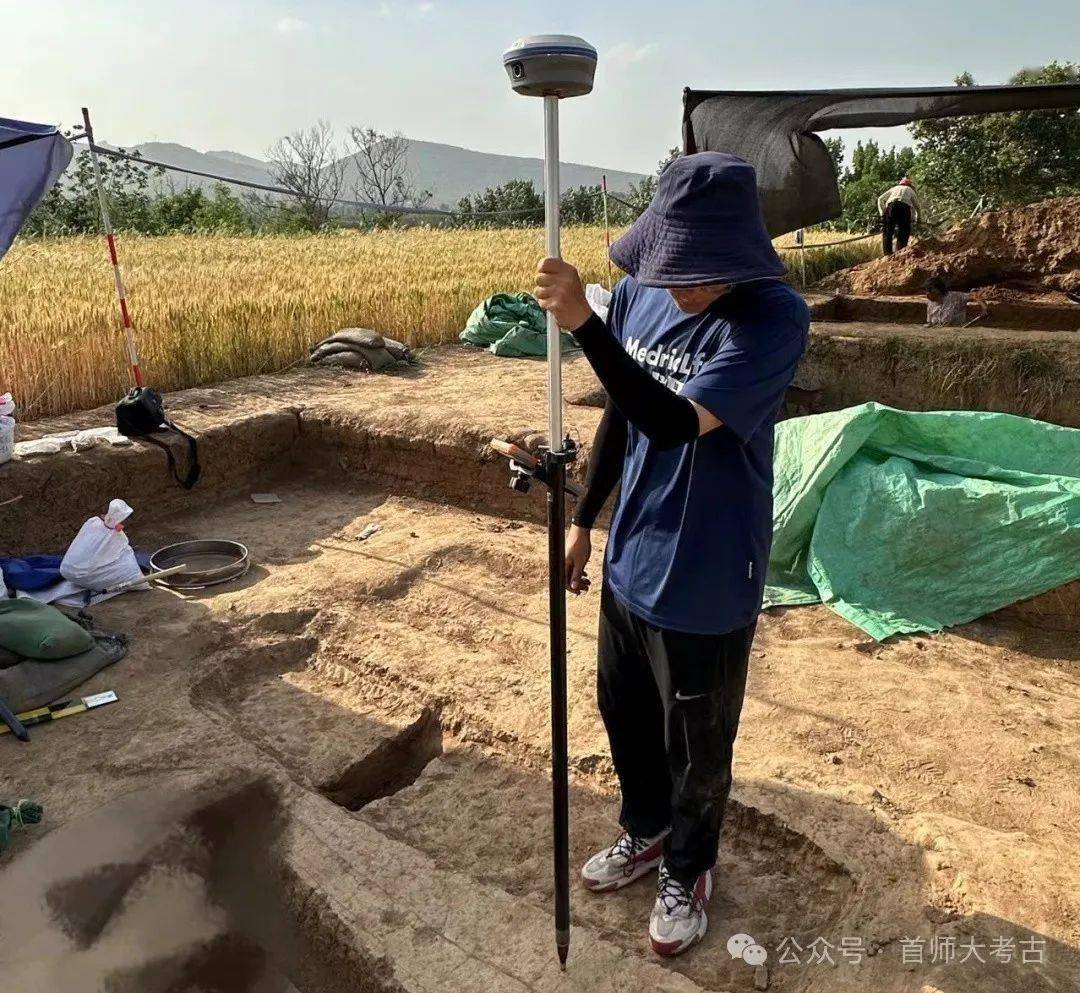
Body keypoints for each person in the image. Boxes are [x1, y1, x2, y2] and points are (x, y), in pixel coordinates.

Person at [534, 152, 809, 957]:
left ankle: (689, 868)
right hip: (631, 560)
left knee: (699, 746)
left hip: (709, 573)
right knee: (625, 715)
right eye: (670, 267)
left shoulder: (772, 321)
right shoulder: (640, 296)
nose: (679, 287)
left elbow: (671, 419)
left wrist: (584, 323)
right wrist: (586, 518)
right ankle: (646, 833)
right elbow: (622, 415)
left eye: (698, 272)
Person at [877, 176, 923, 254]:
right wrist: (919, 219)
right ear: (909, 185)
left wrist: (883, 213)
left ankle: (887, 254)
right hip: (904, 208)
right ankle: (901, 252)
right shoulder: (910, 190)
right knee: (904, 231)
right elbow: (917, 207)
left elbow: (880, 199)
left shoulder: (894, 188)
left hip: (891, 206)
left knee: (888, 232)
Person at [924, 275, 989, 327]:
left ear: (937, 290)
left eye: (929, 290)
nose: (926, 293)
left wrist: (984, 308)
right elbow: (930, 323)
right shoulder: (930, 304)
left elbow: (975, 295)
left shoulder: (956, 297)